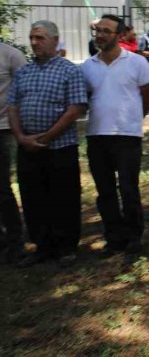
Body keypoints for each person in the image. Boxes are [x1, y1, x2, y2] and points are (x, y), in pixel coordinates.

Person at [7, 22, 87, 266]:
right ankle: (42, 246)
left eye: (40, 38)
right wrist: (21, 137)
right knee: (33, 197)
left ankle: (65, 247)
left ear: (55, 39)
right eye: (32, 37)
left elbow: (75, 109)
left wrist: (47, 137)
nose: (34, 42)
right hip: (27, 146)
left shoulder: (69, 70)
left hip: (59, 147)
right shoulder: (24, 72)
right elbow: (12, 106)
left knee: (63, 197)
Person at [82, 14, 149, 255]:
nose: (100, 35)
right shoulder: (88, 66)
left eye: (106, 31)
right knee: (105, 191)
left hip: (127, 136)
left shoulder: (137, 63)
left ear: (120, 35)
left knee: (128, 188)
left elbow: (148, 96)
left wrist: (135, 119)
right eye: (98, 31)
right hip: (96, 135)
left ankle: (134, 237)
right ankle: (114, 237)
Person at [0, 41, 27, 263]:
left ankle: (15, 241)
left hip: (2, 128)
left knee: (1, 187)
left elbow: (24, 91)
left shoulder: (11, 56)